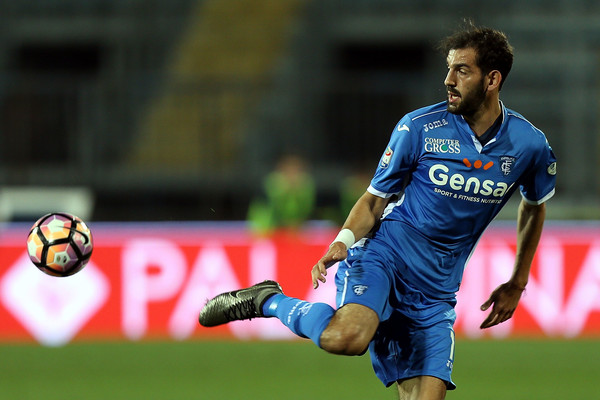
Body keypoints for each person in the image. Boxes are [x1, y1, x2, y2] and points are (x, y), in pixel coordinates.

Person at [199, 21, 556, 400]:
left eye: (462, 70)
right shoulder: (419, 128)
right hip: (385, 256)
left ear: (492, 79)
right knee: (346, 338)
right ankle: (267, 300)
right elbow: (373, 200)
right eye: (448, 68)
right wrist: (343, 240)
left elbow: (534, 208)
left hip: (436, 290)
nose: (449, 79)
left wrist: (517, 282)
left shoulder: (529, 146)